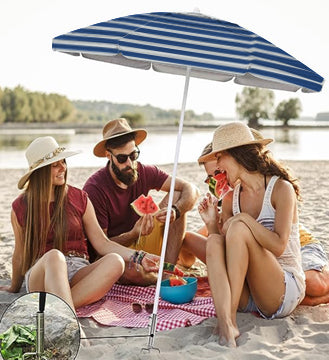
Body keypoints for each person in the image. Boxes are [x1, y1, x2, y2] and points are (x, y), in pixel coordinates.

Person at [0, 136, 159, 312]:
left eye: (63, 162)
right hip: (43, 274)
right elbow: (20, 254)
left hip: (78, 274)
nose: (63, 168)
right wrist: (14, 288)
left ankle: (59, 309)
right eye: (55, 165)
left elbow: (102, 243)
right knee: (54, 256)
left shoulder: (79, 198)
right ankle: (67, 313)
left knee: (115, 261)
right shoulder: (20, 206)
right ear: (40, 171)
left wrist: (140, 257)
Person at [179, 134, 329, 307]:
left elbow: (280, 243)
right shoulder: (228, 201)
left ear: (237, 162)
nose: (218, 180)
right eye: (211, 177)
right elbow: (202, 246)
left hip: (299, 245)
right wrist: (212, 225)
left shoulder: (275, 189)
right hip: (265, 266)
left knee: (314, 285)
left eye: (220, 172)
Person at [194, 122, 306, 347]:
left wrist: (243, 219)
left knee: (238, 226)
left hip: (281, 289)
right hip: (248, 293)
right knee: (214, 241)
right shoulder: (230, 197)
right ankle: (226, 322)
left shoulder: (280, 189)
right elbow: (227, 253)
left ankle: (229, 319)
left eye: (220, 158)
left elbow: (279, 246)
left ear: (235, 155)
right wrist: (212, 225)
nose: (217, 166)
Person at [83, 118, 199, 265]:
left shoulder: (144, 171)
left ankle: (167, 272)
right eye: (122, 158)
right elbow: (100, 247)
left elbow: (191, 189)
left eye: (133, 155)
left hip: (145, 240)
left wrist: (176, 210)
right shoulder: (95, 189)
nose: (130, 164)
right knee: (136, 273)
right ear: (108, 156)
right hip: (117, 254)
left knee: (176, 195)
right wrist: (133, 234)